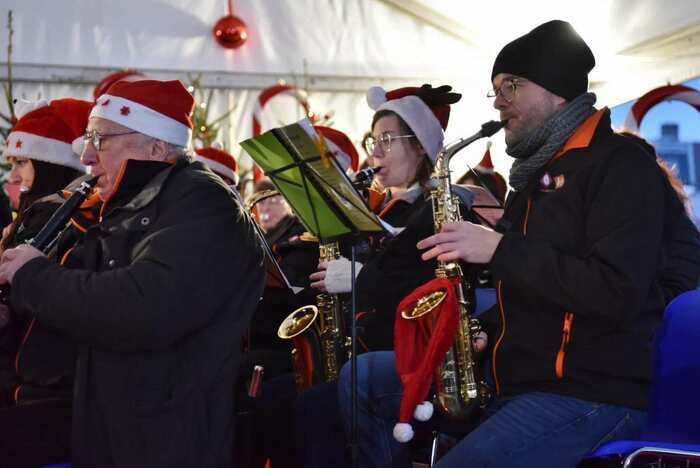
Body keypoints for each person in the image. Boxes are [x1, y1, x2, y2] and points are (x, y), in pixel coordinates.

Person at [411, 20, 676, 467]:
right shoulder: (533, 178)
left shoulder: (622, 166)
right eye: (494, 89)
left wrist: (498, 249)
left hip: (596, 392)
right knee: (358, 388)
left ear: (556, 91)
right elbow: (533, 293)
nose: (498, 102)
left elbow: (615, 291)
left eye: (510, 86)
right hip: (523, 386)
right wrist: (483, 332)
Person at [0, 79, 265, 468]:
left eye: (101, 139)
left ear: (156, 146)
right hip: (114, 422)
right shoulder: (131, 202)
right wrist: (13, 311)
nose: (87, 155)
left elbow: (141, 307)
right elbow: (81, 299)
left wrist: (32, 275)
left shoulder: (203, 202)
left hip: (165, 436)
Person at [305, 84, 471, 467]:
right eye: (371, 140)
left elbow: (427, 289)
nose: (374, 152)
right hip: (377, 346)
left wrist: (360, 277)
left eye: (386, 140)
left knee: (312, 408)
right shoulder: (390, 207)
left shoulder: (438, 208)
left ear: (419, 146)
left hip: (419, 357)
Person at [0, 97, 91, 467]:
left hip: (40, 386)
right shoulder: (41, 212)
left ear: (52, 162)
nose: (15, 176)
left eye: (22, 162)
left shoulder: (52, 215)